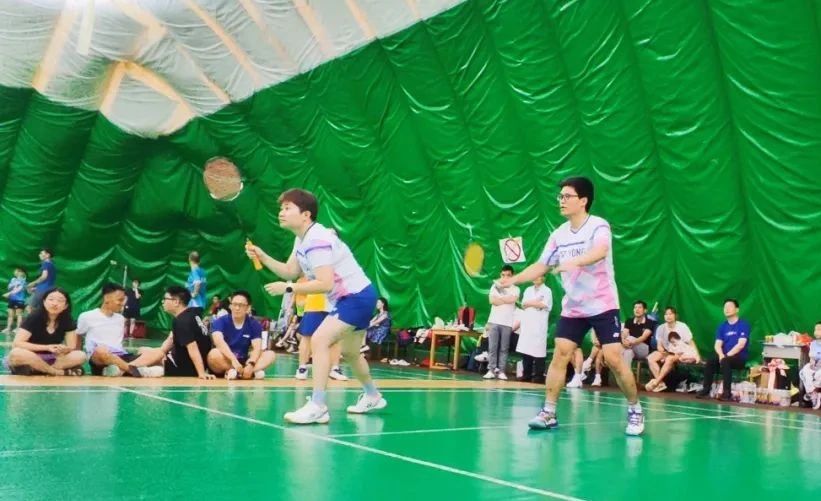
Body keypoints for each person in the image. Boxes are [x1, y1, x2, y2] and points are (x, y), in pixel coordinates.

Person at [498, 176, 644, 435]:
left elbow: (600, 251)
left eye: (567, 196)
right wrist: (513, 280)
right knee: (560, 354)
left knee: (613, 358)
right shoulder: (558, 235)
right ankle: (549, 412)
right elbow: (541, 265)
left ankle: (635, 409)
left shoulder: (598, 226)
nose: (561, 201)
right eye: (560, 197)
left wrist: (574, 262)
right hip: (574, 307)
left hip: (602, 304)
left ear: (583, 200)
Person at [246, 188, 384, 424]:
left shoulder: (317, 241)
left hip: (355, 297)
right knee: (351, 352)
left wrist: (288, 288)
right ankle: (373, 395)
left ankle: (318, 405)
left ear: (306, 215)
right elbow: (290, 271)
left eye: (287, 208)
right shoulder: (302, 238)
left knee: (319, 340)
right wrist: (262, 256)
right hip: (357, 296)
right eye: (281, 208)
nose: (281, 212)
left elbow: (325, 283)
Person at [5, 287, 86, 376]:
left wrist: (64, 349)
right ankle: (57, 372)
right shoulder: (34, 317)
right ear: (44, 302)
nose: (55, 303)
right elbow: (18, 343)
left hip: (52, 358)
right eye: (51, 299)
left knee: (80, 355)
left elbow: (71, 346)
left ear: (65, 306)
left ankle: (38, 369)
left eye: (60, 301)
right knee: (16, 353)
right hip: (30, 355)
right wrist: (47, 347)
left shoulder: (67, 320)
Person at [207, 290, 276, 379]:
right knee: (213, 354)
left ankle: (242, 372)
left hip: (243, 361)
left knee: (270, 354)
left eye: (241, 305)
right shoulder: (220, 321)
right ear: (230, 306)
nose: (237, 308)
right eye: (234, 304)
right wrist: (233, 360)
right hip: (226, 359)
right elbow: (219, 342)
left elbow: (257, 347)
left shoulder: (254, 324)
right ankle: (245, 372)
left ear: (248, 308)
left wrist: (251, 364)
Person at [696, 299, 750, 400]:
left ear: (737, 309)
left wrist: (726, 356)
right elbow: (717, 345)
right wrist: (721, 355)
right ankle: (706, 390)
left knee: (726, 361)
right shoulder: (722, 326)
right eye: (725, 307)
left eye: (730, 306)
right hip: (724, 356)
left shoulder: (743, 325)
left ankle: (727, 393)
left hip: (738, 358)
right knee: (711, 360)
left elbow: (741, 344)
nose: (727, 309)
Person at [161, 285, 214, 379]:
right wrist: (160, 353)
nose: (163, 302)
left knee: (150, 356)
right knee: (146, 351)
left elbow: (193, 348)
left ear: (176, 302)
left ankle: (134, 368)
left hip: (184, 368)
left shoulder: (183, 321)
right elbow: (170, 340)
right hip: (186, 363)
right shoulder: (191, 315)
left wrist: (201, 373)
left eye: (165, 299)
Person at [296, 290, 349, 381]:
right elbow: (301, 289)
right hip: (314, 305)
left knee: (336, 339)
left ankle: (335, 369)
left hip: (334, 306)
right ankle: (302, 368)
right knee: (307, 337)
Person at [483, 265, 520, 380]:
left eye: (508, 275)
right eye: (503, 275)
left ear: (512, 276)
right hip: (494, 321)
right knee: (492, 347)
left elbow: (513, 299)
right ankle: (491, 370)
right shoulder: (494, 286)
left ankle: (502, 371)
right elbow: (492, 301)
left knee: (504, 348)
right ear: (500, 275)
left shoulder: (516, 289)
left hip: (507, 323)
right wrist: (506, 300)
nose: (505, 277)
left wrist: (500, 300)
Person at [516, 275, 552, 383]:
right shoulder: (528, 290)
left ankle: (538, 376)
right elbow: (523, 304)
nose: (535, 278)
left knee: (539, 350)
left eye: (538, 276)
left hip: (539, 325)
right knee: (526, 349)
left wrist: (530, 303)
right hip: (528, 323)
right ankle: (526, 374)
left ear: (543, 277)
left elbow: (544, 305)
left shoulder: (547, 291)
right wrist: (535, 302)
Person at [621, 300, 657, 368]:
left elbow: (643, 337)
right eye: (635, 307)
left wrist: (629, 342)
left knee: (629, 338)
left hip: (643, 349)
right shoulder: (629, 321)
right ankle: (627, 373)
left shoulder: (650, 322)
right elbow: (624, 334)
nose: (637, 309)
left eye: (639, 307)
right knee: (628, 352)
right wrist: (623, 341)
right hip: (629, 347)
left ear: (645, 310)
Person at [798, 321, 821, 409]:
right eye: (816, 329)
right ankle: (812, 393)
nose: (817, 332)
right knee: (804, 371)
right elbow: (811, 356)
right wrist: (812, 364)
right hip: (814, 365)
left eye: (819, 329)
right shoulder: (813, 343)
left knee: (819, 374)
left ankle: (814, 392)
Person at [3, 266, 27, 334]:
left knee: (19, 314)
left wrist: (9, 293)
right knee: (10, 314)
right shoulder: (13, 279)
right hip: (12, 299)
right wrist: (13, 285)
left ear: (22, 273)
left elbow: (19, 289)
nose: (15, 272)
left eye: (18, 271)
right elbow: (9, 287)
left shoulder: (23, 281)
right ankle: (8, 328)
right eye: (15, 271)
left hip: (19, 300)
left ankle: (18, 328)